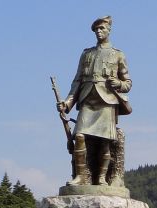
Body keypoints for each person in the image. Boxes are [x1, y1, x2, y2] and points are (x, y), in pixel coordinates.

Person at [57, 15, 132, 187]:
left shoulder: (118, 54)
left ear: (109, 30)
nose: (99, 32)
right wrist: (68, 103)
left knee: (104, 141)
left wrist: (118, 83)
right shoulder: (87, 54)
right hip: (87, 100)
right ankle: (82, 176)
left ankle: (101, 178)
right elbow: (77, 81)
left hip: (107, 100)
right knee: (80, 136)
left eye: (102, 29)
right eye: (96, 29)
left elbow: (128, 83)